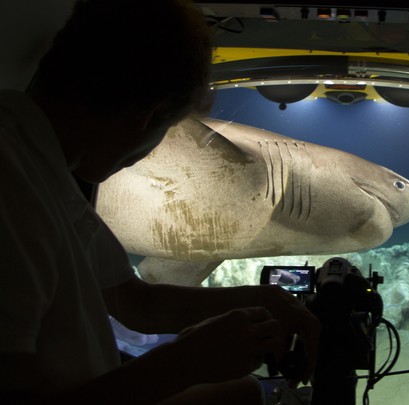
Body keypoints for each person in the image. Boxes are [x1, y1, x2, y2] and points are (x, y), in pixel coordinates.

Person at [0, 0, 319, 403]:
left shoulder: (44, 172)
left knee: (241, 392)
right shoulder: (11, 189)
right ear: (148, 115)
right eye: (166, 132)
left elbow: (138, 302)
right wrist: (182, 364)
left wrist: (264, 298)